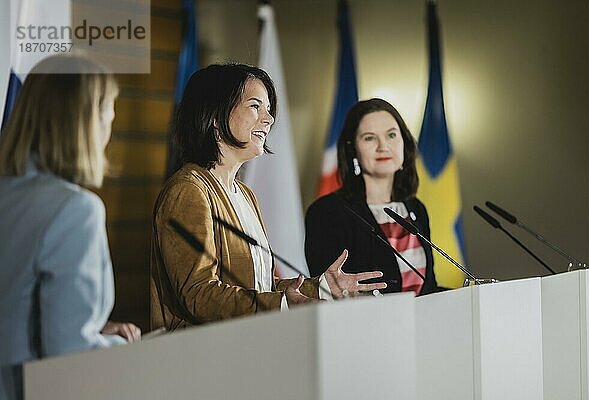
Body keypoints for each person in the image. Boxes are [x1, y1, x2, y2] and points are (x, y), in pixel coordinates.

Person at [150, 63, 387, 331]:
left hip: (248, 345)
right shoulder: (189, 190)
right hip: (201, 357)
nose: (269, 119)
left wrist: (320, 287)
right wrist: (281, 305)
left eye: (269, 110)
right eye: (255, 107)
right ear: (215, 115)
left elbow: (258, 287)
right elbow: (199, 294)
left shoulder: (245, 195)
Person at [0, 55, 141, 400]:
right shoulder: (76, 210)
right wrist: (122, 348)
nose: (112, 120)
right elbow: (69, 355)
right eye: (108, 108)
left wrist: (93, 329)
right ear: (84, 121)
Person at [305, 98, 439, 296]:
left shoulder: (416, 208)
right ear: (353, 149)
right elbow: (329, 293)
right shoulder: (327, 213)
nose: (383, 146)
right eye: (369, 138)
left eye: (391, 135)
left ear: (405, 142)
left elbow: (429, 288)